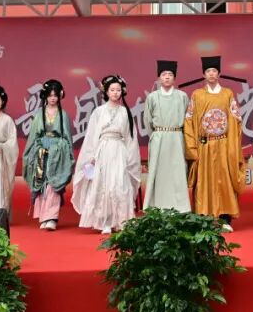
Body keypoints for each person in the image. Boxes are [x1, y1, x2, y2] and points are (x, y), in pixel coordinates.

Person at [71, 75, 142, 235]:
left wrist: (130, 158)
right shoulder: (99, 112)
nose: (115, 93)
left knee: (119, 185)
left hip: (119, 150)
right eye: (112, 90)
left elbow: (130, 138)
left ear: (122, 92)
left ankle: (121, 220)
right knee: (103, 185)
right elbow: (91, 136)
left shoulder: (125, 112)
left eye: (118, 90)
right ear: (106, 92)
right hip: (103, 150)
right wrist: (91, 156)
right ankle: (106, 221)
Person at [184, 55, 245, 232]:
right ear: (204, 74)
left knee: (224, 180)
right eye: (208, 71)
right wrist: (192, 148)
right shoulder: (197, 95)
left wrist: (232, 144)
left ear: (219, 74)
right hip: (204, 146)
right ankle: (205, 218)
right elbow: (189, 121)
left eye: (214, 71)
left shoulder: (227, 94)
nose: (211, 74)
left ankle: (225, 218)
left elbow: (236, 119)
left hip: (223, 144)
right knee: (204, 182)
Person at [22, 79, 75, 231]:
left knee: (53, 184)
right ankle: (43, 216)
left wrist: (61, 150)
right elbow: (34, 136)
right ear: (45, 96)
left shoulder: (63, 114)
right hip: (41, 151)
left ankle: (52, 217)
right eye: (50, 95)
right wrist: (34, 150)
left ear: (60, 96)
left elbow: (67, 137)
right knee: (41, 182)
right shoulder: (39, 114)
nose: (53, 98)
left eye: (55, 95)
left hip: (58, 152)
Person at [143, 60, 191, 212]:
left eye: (170, 74)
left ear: (174, 78)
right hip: (159, 138)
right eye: (164, 74)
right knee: (159, 173)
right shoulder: (152, 97)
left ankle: (180, 208)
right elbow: (148, 121)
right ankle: (157, 207)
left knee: (177, 173)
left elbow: (188, 120)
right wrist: (156, 136)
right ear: (159, 77)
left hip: (177, 137)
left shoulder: (182, 96)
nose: (167, 77)